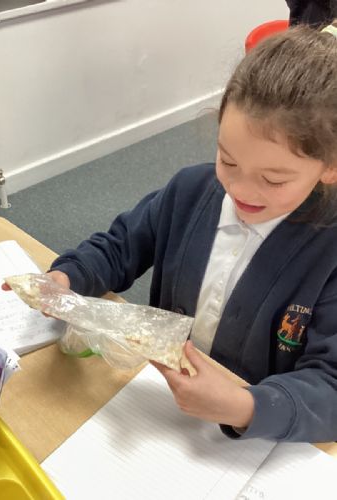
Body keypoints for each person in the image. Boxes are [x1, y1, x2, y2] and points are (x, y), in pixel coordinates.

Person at [44, 23, 337, 442]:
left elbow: (330, 388)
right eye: (228, 161)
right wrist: (67, 276)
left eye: (273, 180)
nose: (240, 190)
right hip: (157, 411)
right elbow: (119, 247)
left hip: (254, 442)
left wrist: (245, 406)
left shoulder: (328, 250)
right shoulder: (190, 191)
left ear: (330, 167)